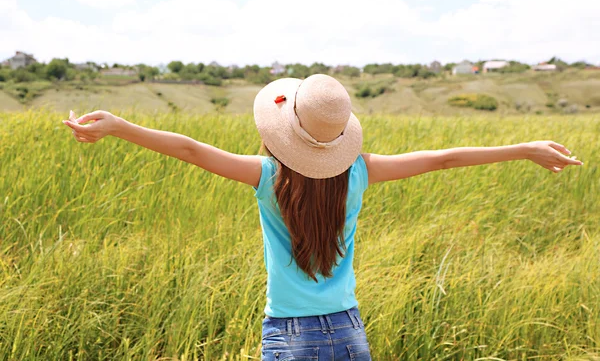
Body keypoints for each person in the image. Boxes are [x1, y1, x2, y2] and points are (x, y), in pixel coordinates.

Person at [62, 74, 583, 361]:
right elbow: (444, 157)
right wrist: (523, 148)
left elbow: (192, 150)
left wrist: (120, 126)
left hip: (289, 334)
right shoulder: (360, 172)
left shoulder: (267, 177)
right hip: (350, 330)